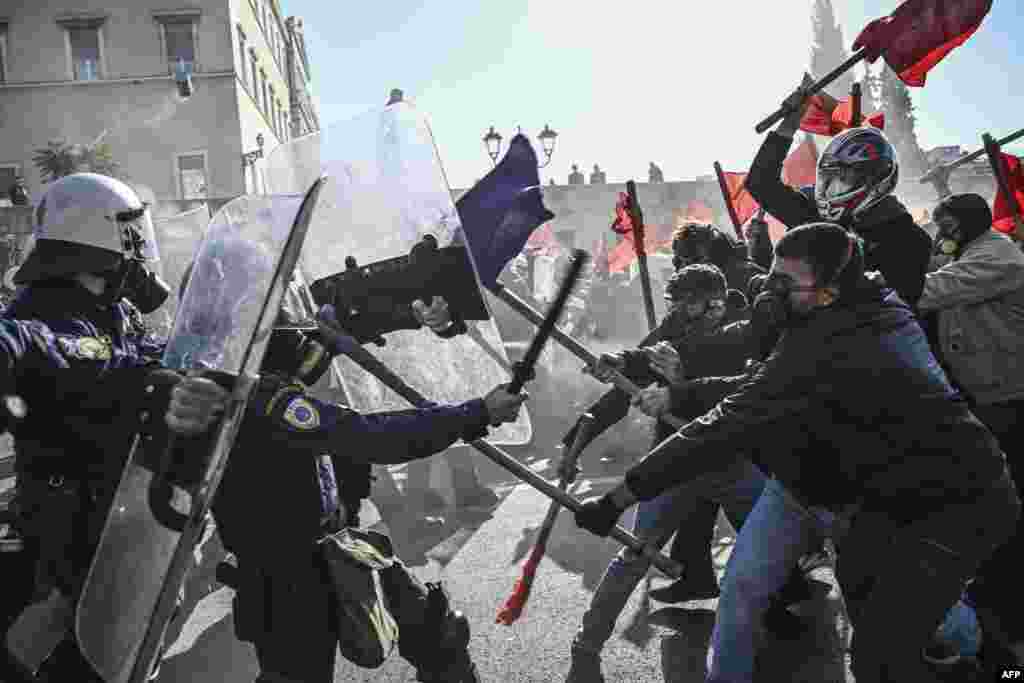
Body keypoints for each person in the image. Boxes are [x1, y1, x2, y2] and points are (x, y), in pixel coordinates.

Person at [575, 222, 1020, 683]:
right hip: (824, 485)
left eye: (786, 284)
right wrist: (665, 386)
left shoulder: (846, 336)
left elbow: (730, 417)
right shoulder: (827, 314)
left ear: (830, 290)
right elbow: (746, 368)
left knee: (882, 652)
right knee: (760, 593)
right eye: (772, 277)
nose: (770, 293)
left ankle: (999, 664)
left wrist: (618, 498)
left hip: (944, 501)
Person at [190, 290, 526, 683]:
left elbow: (336, 334)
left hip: (337, 544)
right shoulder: (257, 400)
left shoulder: (247, 381)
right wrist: (476, 412)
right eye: (286, 329)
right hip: (284, 579)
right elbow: (369, 437)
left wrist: (410, 311)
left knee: (437, 630)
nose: (304, 341)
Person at [0, 172, 210, 681]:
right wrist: (148, 378)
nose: (140, 260)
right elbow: (47, 349)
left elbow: (137, 355)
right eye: (131, 245)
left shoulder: (111, 312)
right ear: (98, 248)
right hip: (65, 528)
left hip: (121, 516)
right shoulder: (37, 319)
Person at [564, 264, 768, 683]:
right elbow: (643, 359)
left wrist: (681, 381)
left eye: (687, 304)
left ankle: (769, 632)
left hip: (732, 457)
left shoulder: (748, 331)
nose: (678, 313)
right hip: (674, 461)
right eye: (675, 304)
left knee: (770, 545)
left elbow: (731, 379)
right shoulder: (677, 330)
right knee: (636, 552)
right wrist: (617, 361)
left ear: (713, 303)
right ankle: (587, 644)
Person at [917, 193, 1024, 669]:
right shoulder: (968, 250)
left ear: (966, 225)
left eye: (946, 226)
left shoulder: (997, 256)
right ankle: (996, 589)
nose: (941, 235)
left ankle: (1009, 607)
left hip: (1011, 395)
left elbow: (932, 290)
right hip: (984, 394)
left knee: (1010, 500)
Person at [746, 74, 932, 308]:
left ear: (875, 180)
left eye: (843, 177)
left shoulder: (910, 241)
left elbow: (889, 309)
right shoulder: (814, 217)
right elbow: (760, 182)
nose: (830, 187)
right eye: (828, 176)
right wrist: (792, 121)